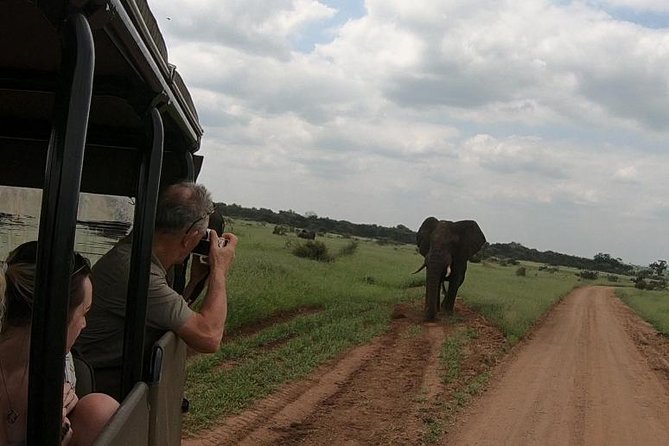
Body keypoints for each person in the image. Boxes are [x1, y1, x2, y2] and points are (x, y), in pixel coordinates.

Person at [75, 182, 237, 399]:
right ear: (189, 238)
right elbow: (208, 336)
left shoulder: (142, 255)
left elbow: (168, 317)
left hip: (107, 383)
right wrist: (219, 270)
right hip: (94, 392)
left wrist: (196, 280)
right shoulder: (137, 271)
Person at [0, 241, 119, 446]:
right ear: (56, 319)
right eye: (83, 313)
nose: (84, 324)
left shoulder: (61, 366)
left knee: (100, 410)